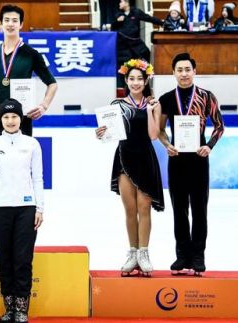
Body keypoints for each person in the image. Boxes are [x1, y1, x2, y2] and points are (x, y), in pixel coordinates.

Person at [95, 58, 164, 277]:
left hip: (145, 157)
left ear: (146, 81)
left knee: (144, 208)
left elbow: (154, 135)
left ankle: (144, 253)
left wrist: (152, 111)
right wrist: (101, 133)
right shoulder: (117, 105)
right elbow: (109, 133)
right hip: (124, 158)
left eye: (139, 79)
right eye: (131, 79)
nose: (135, 83)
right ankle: (132, 253)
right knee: (130, 209)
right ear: (126, 80)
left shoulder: (153, 104)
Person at [159, 52, 224, 276]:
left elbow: (219, 126)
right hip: (176, 159)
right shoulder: (167, 98)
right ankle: (182, 255)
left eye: (188, 70)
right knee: (179, 210)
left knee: (199, 209)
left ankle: (198, 255)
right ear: (173, 73)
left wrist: (209, 146)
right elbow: (159, 129)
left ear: (194, 71)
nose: (184, 74)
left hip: (198, 159)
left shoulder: (207, 96)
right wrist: (166, 144)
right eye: (180, 70)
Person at [0, 98, 44, 323]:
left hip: (26, 208)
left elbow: (38, 178)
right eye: (6, 117)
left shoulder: (31, 144)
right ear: (1, 119)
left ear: (21, 118)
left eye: (14, 116)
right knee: (4, 259)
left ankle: (21, 309)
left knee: (22, 259)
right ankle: (8, 308)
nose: (10, 121)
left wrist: (40, 208)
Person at [0, 4, 58, 137]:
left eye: (14, 20)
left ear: (21, 24)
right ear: (0, 23)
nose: (10, 24)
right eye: (6, 20)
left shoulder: (31, 54)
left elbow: (52, 83)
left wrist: (43, 106)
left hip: (23, 117)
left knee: (23, 156)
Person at [112, 0, 163, 87]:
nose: (119, 4)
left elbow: (149, 18)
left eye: (121, 2)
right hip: (124, 46)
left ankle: (146, 82)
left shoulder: (136, 12)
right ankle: (124, 87)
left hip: (136, 43)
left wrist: (162, 23)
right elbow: (113, 28)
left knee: (147, 54)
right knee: (124, 66)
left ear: (127, 2)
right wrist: (117, 22)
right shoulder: (118, 14)